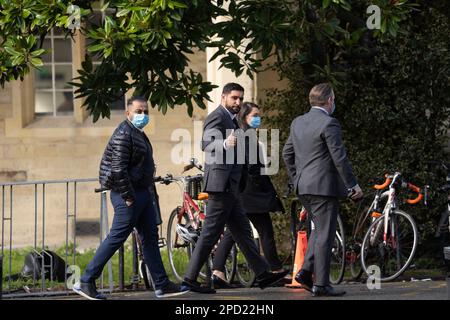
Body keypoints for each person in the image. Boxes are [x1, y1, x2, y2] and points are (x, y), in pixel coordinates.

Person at [73, 96, 189, 300]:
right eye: (138, 111)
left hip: (142, 193)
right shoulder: (124, 134)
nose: (143, 115)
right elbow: (118, 169)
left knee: (150, 239)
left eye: (145, 111)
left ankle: (161, 284)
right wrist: (127, 196)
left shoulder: (137, 133)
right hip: (128, 195)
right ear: (128, 113)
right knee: (116, 237)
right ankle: (86, 280)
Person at [181, 83, 289, 293]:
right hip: (221, 186)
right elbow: (205, 143)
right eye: (234, 98)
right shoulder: (218, 116)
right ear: (223, 98)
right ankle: (189, 279)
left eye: (240, 98)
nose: (238, 102)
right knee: (211, 233)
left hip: (233, 186)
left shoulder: (232, 120)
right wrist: (223, 143)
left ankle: (263, 274)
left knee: (243, 231)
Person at [282, 83, 363, 297]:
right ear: (329, 100)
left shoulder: (298, 122)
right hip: (323, 188)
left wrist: (297, 178)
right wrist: (352, 184)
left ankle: (305, 272)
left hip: (303, 187)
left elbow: (286, 153)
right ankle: (321, 284)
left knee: (319, 230)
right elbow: (339, 157)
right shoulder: (329, 123)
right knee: (325, 235)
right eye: (333, 99)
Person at [211, 102, 287, 289]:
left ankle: (217, 272)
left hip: (240, 192)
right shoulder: (248, 138)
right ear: (245, 116)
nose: (257, 118)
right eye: (254, 115)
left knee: (232, 233)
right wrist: (264, 188)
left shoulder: (239, 135)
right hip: (252, 193)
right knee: (265, 231)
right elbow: (253, 168)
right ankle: (275, 271)